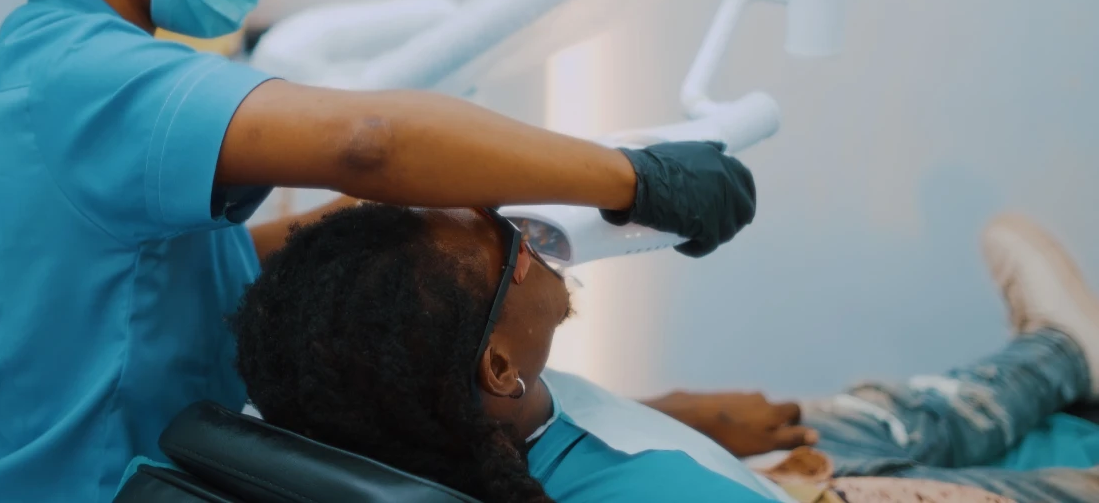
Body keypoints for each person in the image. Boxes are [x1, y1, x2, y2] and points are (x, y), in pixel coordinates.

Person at [0, 0, 757, 503]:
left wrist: (398, 222)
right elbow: (369, 143)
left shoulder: (46, 63)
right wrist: (632, 177)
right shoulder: (86, 77)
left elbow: (165, 276)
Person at [229, 207, 1099, 503]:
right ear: (498, 367)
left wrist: (679, 416)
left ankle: (1055, 357)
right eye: (511, 243)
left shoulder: (456, 419)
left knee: (868, 412)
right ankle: (1058, 359)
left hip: (753, 468)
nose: (534, 238)